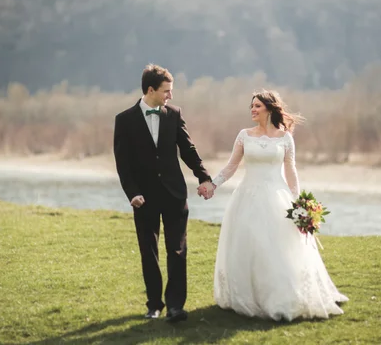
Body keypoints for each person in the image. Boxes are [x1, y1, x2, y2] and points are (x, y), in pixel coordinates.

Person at [200, 89, 348, 321]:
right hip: (247, 197)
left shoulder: (285, 137)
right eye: (252, 106)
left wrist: (299, 203)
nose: (253, 109)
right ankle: (249, 295)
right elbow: (231, 167)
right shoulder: (244, 135)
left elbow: (291, 170)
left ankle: (280, 294)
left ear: (269, 108)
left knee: (278, 247)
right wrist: (212, 184)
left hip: (277, 196)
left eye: (257, 106)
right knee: (250, 245)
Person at [113, 64, 215, 323]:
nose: (171, 96)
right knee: (149, 252)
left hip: (174, 194)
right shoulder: (124, 120)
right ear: (150, 90)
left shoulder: (174, 114)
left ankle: (176, 307)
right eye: (166, 91)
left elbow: (188, 149)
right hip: (143, 197)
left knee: (177, 250)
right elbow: (122, 163)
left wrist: (203, 176)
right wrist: (132, 193)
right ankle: (154, 305)